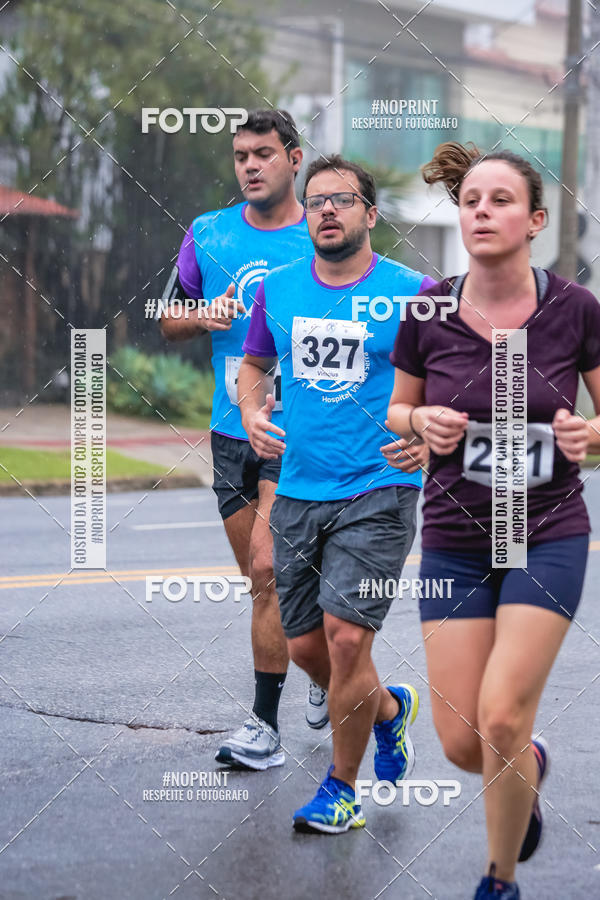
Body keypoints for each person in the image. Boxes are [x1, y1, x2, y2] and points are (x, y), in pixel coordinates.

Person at [388, 141, 600, 898]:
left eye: (501, 200)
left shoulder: (576, 310)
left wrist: (592, 435)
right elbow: (398, 407)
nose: (482, 210)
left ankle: (499, 880)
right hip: (454, 538)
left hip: (546, 534)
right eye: (472, 199)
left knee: (503, 717)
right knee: (460, 742)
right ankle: (529, 768)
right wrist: (423, 421)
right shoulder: (427, 308)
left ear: (536, 219)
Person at [238, 154, 433, 833]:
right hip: (298, 488)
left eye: (342, 200)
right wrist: (253, 414)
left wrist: (432, 438)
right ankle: (388, 709)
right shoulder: (281, 288)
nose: (326, 210)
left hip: (381, 485)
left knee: (348, 638)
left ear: (370, 215)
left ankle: (339, 791)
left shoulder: (416, 292)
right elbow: (255, 366)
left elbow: (466, 377)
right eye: (317, 200)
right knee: (306, 649)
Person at [160, 109, 328, 771]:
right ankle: (315, 660)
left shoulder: (321, 232)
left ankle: (263, 727)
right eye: (240, 156)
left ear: (293, 158)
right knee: (266, 585)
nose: (250, 166)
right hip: (230, 428)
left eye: (263, 153)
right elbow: (168, 320)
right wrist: (206, 314)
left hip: (298, 427)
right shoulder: (208, 234)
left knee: (266, 568)